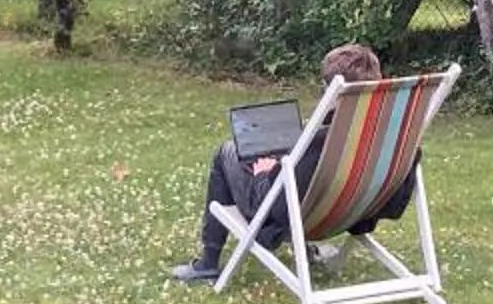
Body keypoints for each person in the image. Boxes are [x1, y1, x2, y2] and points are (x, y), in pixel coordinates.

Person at [171, 42, 414, 282]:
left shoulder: (322, 142)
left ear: (333, 92)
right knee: (286, 157)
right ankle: (305, 250)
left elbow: (280, 207)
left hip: (291, 216)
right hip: (353, 212)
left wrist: (266, 172)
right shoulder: (392, 138)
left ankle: (208, 262)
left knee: (227, 152)